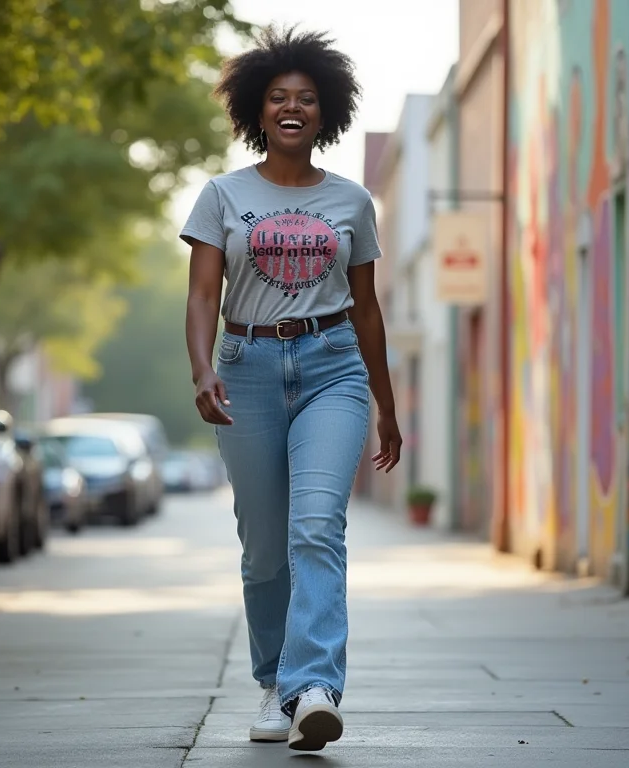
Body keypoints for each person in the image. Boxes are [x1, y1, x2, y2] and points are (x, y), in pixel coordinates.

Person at [181, 26, 401, 752]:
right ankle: (275, 681)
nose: (292, 107)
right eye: (278, 97)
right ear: (257, 109)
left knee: (316, 526)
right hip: (245, 366)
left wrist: (386, 405)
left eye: (307, 98)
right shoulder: (222, 195)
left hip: (332, 364)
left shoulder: (351, 202)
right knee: (265, 547)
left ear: (326, 111)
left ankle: (314, 688)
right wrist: (202, 368)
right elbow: (203, 294)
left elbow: (367, 307)